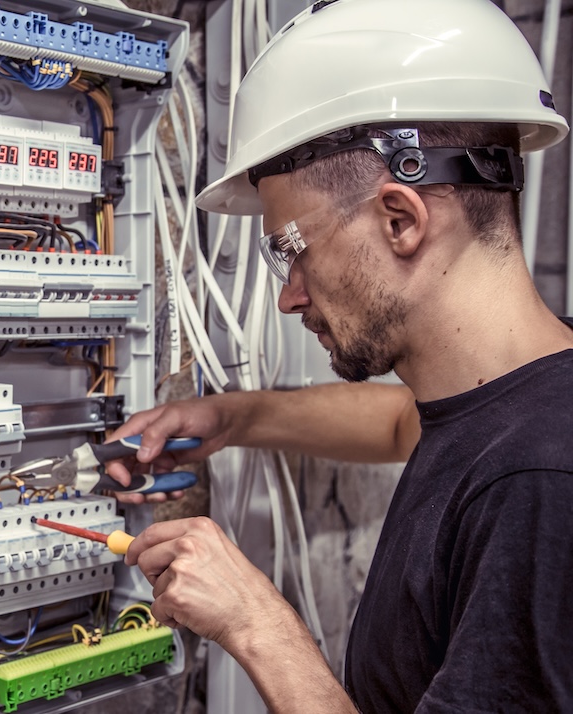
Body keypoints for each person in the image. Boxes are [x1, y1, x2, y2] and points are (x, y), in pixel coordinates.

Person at [106, 0, 573, 711]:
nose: (290, 297)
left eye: (291, 249)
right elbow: (398, 424)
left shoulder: (541, 487)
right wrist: (232, 417)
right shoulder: (527, 396)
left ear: (401, 220)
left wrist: (255, 624)